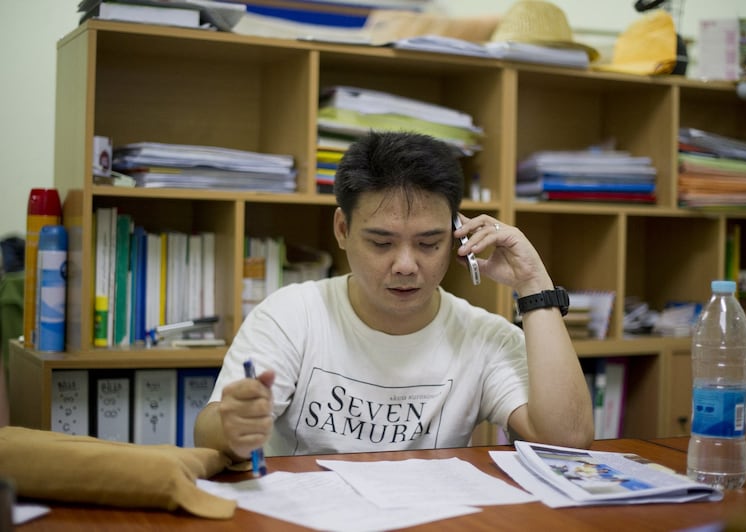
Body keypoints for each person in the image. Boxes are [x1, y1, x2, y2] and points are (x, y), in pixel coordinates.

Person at [194, 131, 593, 461]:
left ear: (457, 235)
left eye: (428, 243)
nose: (406, 264)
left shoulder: (483, 335)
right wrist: (231, 427)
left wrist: (533, 282)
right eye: (382, 242)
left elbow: (567, 441)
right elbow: (208, 432)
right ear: (342, 229)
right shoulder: (292, 315)